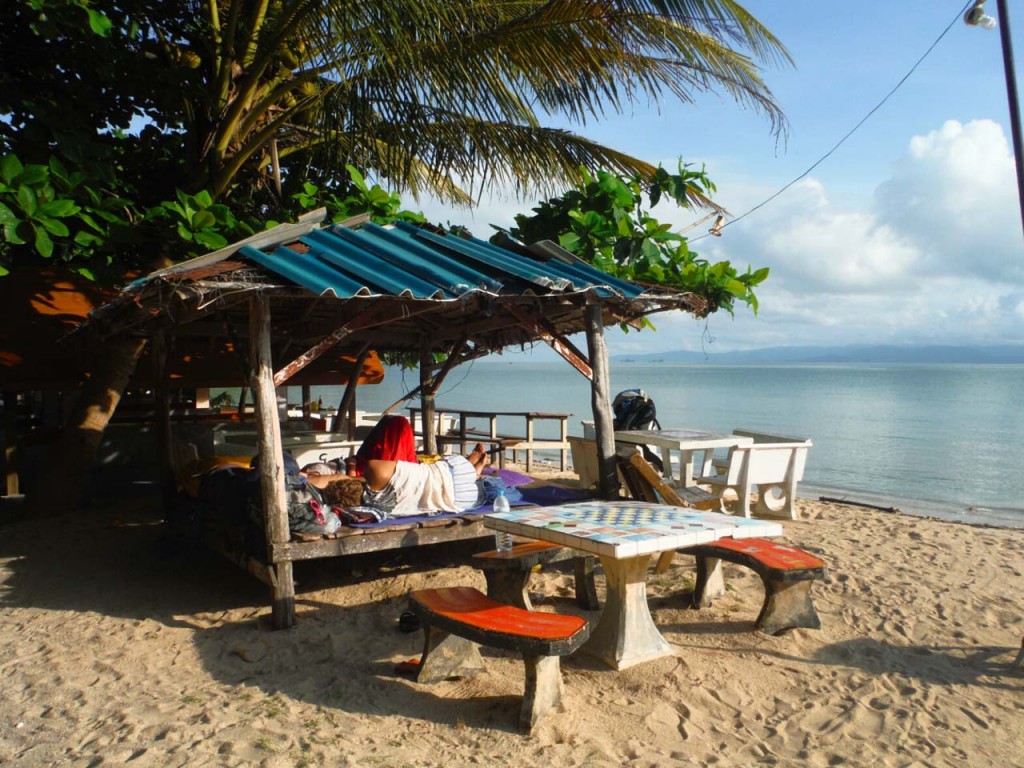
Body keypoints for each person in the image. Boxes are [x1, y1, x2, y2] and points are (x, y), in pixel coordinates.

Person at [306, 415, 492, 518]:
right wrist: (305, 481)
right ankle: (472, 463)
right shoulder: (374, 470)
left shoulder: (379, 510)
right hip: (455, 476)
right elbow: (338, 479)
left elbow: (342, 482)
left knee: (448, 477)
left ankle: (475, 470)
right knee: (399, 423)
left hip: (462, 499)